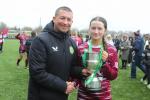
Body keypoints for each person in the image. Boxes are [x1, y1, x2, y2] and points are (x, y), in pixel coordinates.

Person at [28, 6, 91, 100]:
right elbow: (37, 72)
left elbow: (71, 68)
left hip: (61, 95)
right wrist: (63, 86)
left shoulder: (71, 42)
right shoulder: (40, 40)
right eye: (62, 18)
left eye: (69, 19)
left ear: (72, 22)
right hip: (41, 96)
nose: (65, 22)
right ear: (54, 19)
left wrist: (81, 71)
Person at [77, 16, 118, 100]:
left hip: (104, 96)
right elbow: (75, 71)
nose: (96, 32)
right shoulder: (80, 48)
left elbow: (113, 76)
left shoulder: (111, 50)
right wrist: (80, 73)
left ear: (105, 30)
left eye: (99, 28)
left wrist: (104, 63)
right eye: (93, 28)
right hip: (83, 96)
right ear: (89, 29)